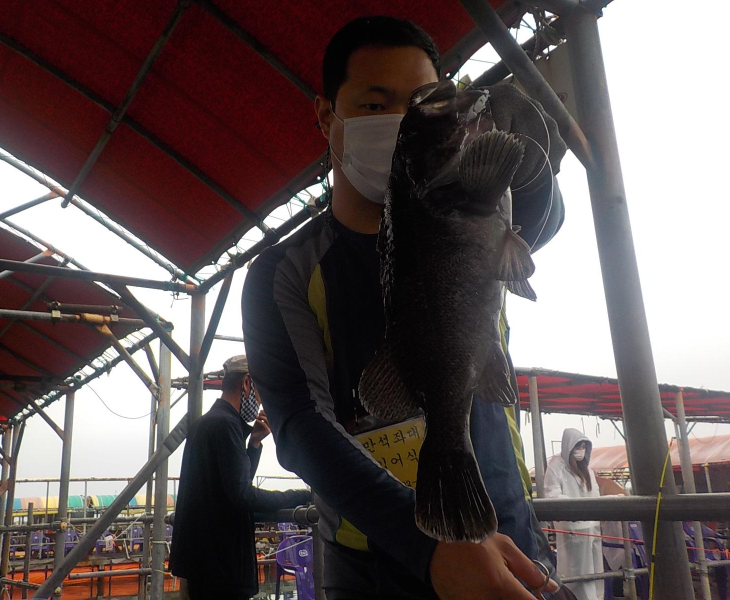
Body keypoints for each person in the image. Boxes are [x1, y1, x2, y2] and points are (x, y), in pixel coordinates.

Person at [242, 16, 569, 600]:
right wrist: (430, 550)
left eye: (419, 101)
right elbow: (297, 423)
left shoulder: (475, 214)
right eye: (375, 105)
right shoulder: (285, 271)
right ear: (326, 115)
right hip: (372, 566)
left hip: (513, 543)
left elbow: (543, 213)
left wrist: (536, 150)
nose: (399, 121)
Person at [169, 355, 311, 600]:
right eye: (259, 392)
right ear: (246, 383)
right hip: (221, 564)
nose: (259, 401)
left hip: (204, 561)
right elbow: (242, 495)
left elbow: (233, 484)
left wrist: (253, 443)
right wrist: (301, 496)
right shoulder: (226, 425)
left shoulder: (208, 422)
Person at [544, 429, 603, 600]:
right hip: (573, 530)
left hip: (592, 528)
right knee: (577, 575)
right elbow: (552, 496)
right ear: (568, 446)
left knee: (596, 573)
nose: (581, 451)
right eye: (578, 446)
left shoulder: (587, 470)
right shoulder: (556, 467)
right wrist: (577, 510)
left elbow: (595, 495)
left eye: (584, 447)